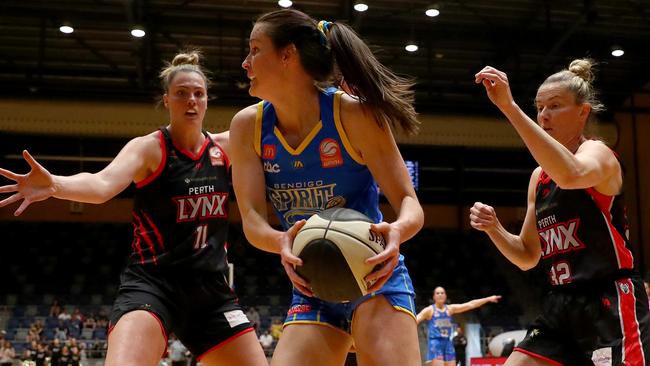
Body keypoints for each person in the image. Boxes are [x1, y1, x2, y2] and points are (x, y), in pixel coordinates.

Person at [0, 51, 267, 366]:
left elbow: (280, 116)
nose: (191, 100)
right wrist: (56, 184)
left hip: (211, 290)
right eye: (181, 93)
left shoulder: (224, 147)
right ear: (166, 100)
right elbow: (102, 186)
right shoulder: (149, 149)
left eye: (198, 94)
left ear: (207, 100)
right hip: (154, 284)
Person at [229, 9, 424, 366]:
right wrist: (280, 241)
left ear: (287, 56)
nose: (245, 62)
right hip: (313, 282)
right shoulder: (248, 127)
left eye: (255, 50)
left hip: (374, 274)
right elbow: (253, 219)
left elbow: (409, 201)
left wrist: (397, 231)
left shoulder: (354, 115)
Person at [470, 59, 650, 365]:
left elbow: (571, 175)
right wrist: (495, 229)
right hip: (560, 303)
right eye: (540, 107)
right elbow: (527, 256)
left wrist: (510, 108)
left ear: (583, 112)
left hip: (608, 299)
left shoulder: (598, 153)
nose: (543, 115)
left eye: (554, 106)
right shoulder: (538, 177)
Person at [416, 287, 501, 366]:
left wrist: (488, 299)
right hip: (435, 343)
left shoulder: (450, 309)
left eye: (442, 293)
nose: (440, 295)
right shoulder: (429, 310)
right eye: (437, 293)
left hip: (448, 343)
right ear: (434, 297)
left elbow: (470, 304)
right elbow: (416, 319)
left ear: (445, 296)